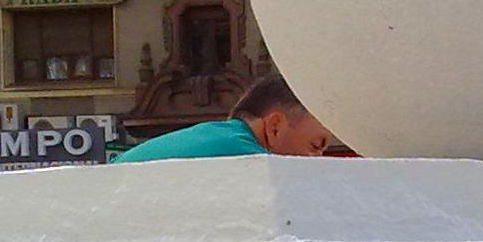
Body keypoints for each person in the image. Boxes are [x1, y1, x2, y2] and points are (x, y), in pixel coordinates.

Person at [112, 72, 337, 161]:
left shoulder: (219, 138)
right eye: (316, 146)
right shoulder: (250, 160)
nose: (318, 159)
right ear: (275, 127)